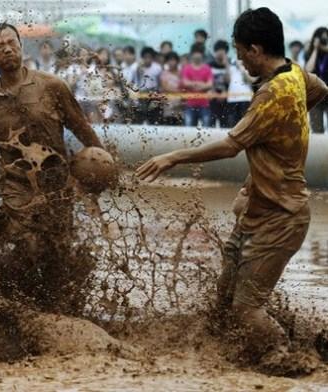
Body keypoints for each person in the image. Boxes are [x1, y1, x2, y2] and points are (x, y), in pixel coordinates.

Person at [136, 8, 328, 373]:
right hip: (258, 208)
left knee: (246, 309)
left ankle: (292, 360)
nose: (239, 61)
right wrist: (287, 133)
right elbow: (320, 90)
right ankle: (223, 355)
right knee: (224, 296)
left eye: (241, 53)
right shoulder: (295, 74)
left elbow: (230, 146)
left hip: (281, 217)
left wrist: (173, 157)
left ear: (256, 49)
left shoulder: (272, 93)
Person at [0, 22, 105, 260]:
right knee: (27, 245)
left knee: (59, 252)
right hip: (16, 190)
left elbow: (82, 129)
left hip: (56, 185)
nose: (7, 49)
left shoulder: (52, 87)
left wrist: (104, 164)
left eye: (12, 43)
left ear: (21, 46)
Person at [181, 43, 213, 127]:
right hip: (190, 104)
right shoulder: (187, 68)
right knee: (188, 130)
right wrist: (201, 84)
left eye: (199, 52)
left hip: (204, 104)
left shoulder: (207, 68)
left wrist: (193, 84)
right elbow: (185, 83)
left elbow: (210, 84)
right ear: (192, 54)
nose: (197, 55)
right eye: (195, 53)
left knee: (207, 129)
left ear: (202, 54)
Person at [305, 27, 328, 134]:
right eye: (322, 39)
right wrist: (315, 49)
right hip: (315, 96)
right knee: (317, 130)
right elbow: (308, 69)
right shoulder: (310, 53)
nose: (324, 42)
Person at [133, 46, 163, 124]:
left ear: (152, 58)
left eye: (149, 57)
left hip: (154, 93)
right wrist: (140, 67)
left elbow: (160, 82)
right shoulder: (138, 67)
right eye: (145, 57)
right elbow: (136, 78)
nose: (147, 59)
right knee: (141, 115)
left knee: (153, 114)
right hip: (142, 93)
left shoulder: (157, 67)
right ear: (142, 58)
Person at [209, 40, 231, 128]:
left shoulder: (229, 64)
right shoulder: (210, 64)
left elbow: (228, 80)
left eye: (223, 51)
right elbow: (209, 81)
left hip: (226, 96)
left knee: (225, 123)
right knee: (211, 122)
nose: (221, 53)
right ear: (215, 51)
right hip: (213, 96)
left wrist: (226, 65)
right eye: (218, 51)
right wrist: (215, 93)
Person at [226, 59, 253, 127]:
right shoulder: (231, 68)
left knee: (244, 122)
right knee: (231, 122)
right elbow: (226, 80)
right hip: (232, 98)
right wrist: (227, 66)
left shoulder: (248, 67)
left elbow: (250, 80)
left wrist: (241, 68)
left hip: (245, 98)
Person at [159, 51, 183, 125]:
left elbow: (184, 86)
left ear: (177, 61)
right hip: (168, 104)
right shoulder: (164, 73)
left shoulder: (181, 73)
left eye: (173, 60)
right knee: (168, 125)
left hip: (180, 105)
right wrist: (178, 91)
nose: (171, 62)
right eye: (169, 60)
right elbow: (165, 87)